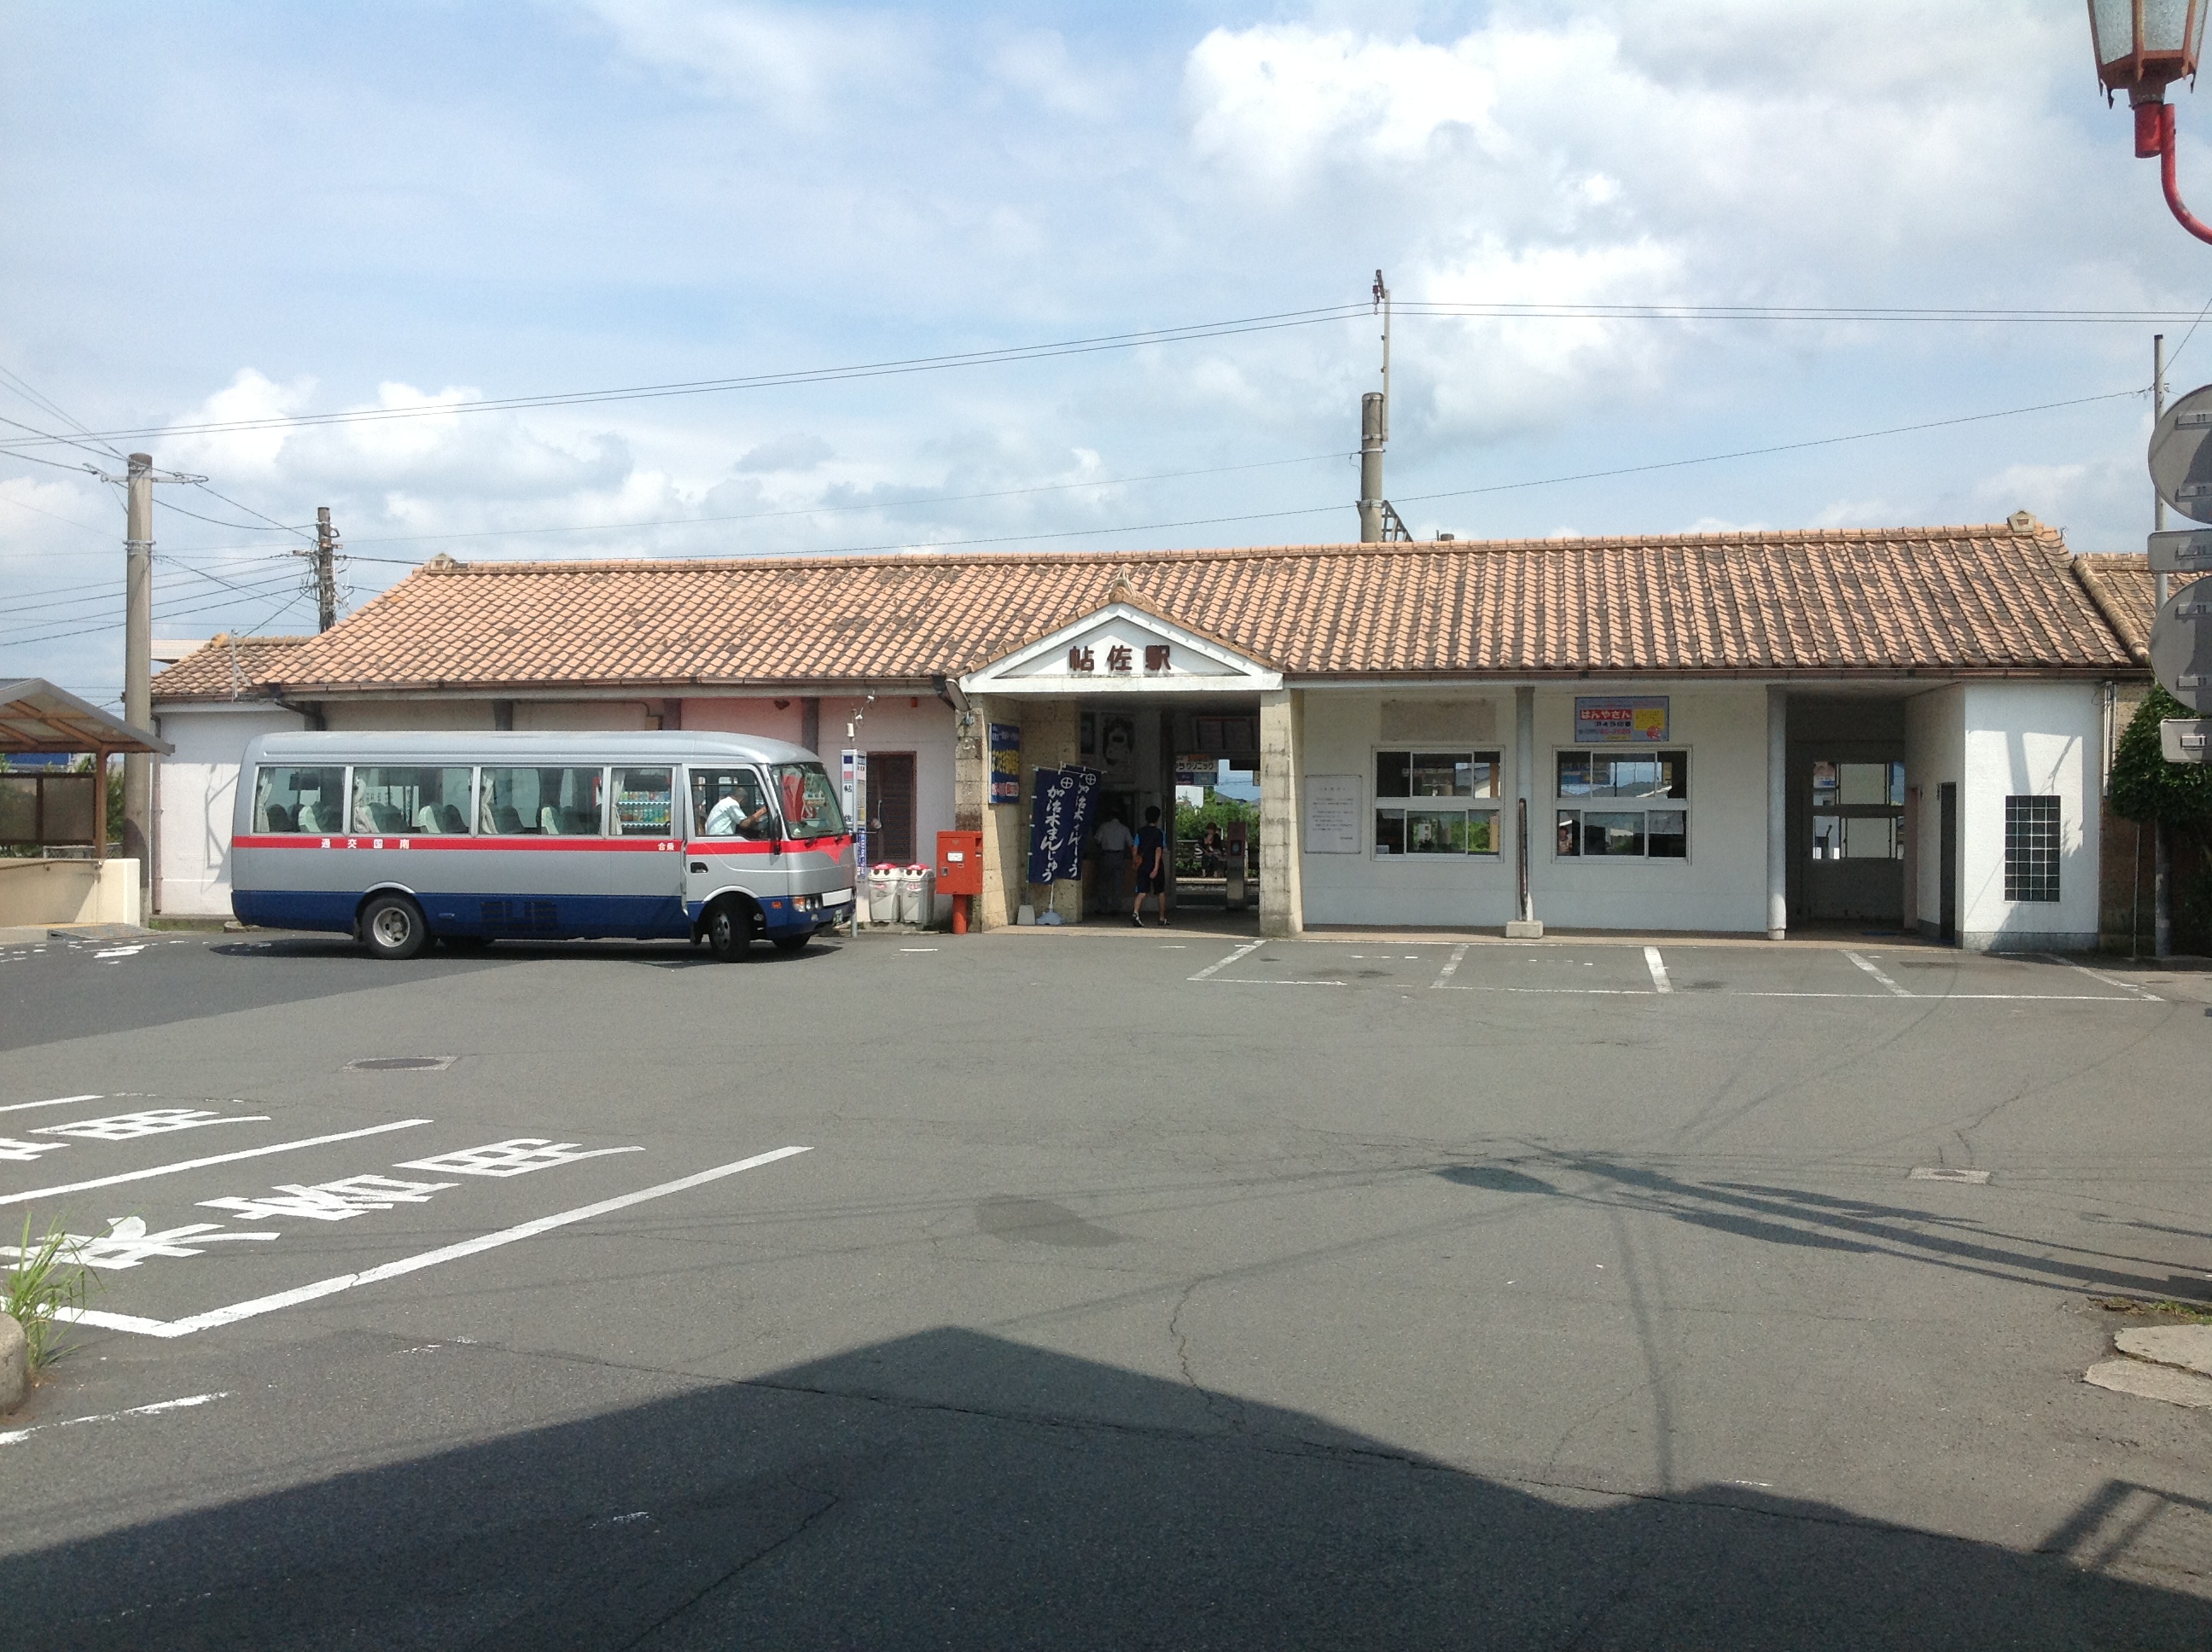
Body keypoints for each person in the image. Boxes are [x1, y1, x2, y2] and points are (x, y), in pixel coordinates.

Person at [1132, 805, 1169, 927]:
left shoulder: (1140, 832)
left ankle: (1136, 913)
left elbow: (1135, 848)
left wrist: (1135, 860)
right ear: (1158, 818)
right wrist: (1156, 867)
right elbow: (1159, 850)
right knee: (1160, 891)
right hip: (1155, 865)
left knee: (1142, 891)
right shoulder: (1160, 833)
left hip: (1143, 864)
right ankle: (1162, 918)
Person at [1094, 808, 1133, 912]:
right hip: (1119, 856)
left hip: (1106, 856)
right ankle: (1116, 908)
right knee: (1118, 883)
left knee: (1103, 882)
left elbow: (1097, 840)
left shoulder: (1104, 827)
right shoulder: (1124, 829)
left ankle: (1103, 907)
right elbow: (1131, 844)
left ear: (1109, 817)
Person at [704, 780, 771, 838]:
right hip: (721, 838)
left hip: (715, 837)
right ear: (742, 799)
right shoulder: (731, 804)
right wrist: (762, 811)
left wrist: (754, 820)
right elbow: (744, 824)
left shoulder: (725, 802)